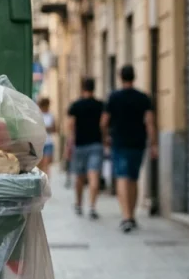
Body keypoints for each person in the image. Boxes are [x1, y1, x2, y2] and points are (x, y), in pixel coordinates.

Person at [102, 65, 157, 233]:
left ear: (120, 77)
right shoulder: (143, 98)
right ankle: (131, 215)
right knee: (133, 179)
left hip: (119, 142)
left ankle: (126, 217)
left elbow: (104, 122)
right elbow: (149, 123)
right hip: (138, 144)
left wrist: (106, 138)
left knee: (122, 178)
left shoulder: (114, 97)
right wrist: (154, 144)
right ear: (134, 77)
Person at [66, 78, 104, 219]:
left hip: (80, 145)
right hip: (96, 144)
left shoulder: (76, 105)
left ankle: (78, 204)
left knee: (79, 177)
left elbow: (71, 126)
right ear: (94, 88)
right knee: (94, 176)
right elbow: (103, 124)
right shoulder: (100, 105)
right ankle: (92, 207)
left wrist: (69, 145)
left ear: (82, 88)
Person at [37, 97, 56, 176]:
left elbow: (54, 128)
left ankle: (46, 183)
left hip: (48, 142)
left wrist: (44, 127)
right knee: (39, 166)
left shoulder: (51, 115)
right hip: (39, 143)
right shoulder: (38, 115)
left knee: (46, 165)